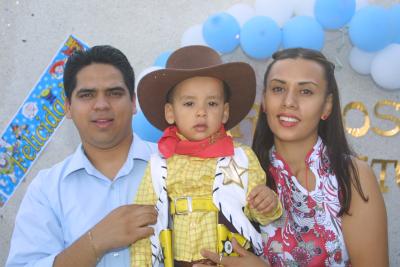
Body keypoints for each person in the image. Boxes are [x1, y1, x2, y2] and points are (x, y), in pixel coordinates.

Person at [196, 48, 388, 267]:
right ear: (265, 101)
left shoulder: (352, 176)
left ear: (326, 106)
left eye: (305, 91)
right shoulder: (237, 171)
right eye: (278, 89)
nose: (289, 101)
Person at [6, 45, 158, 267]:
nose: (102, 105)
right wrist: (94, 243)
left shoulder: (176, 165)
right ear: (68, 107)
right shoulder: (47, 189)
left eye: (114, 93)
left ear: (133, 103)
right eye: (87, 95)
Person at [131, 45, 282, 267]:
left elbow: (258, 213)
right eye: (189, 103)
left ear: (225, 112)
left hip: (234, 259)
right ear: (170, 113)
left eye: (211, 103)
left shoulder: (239, 156)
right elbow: (143, 225)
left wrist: (267, 204)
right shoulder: (159, 164)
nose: (201, 112)